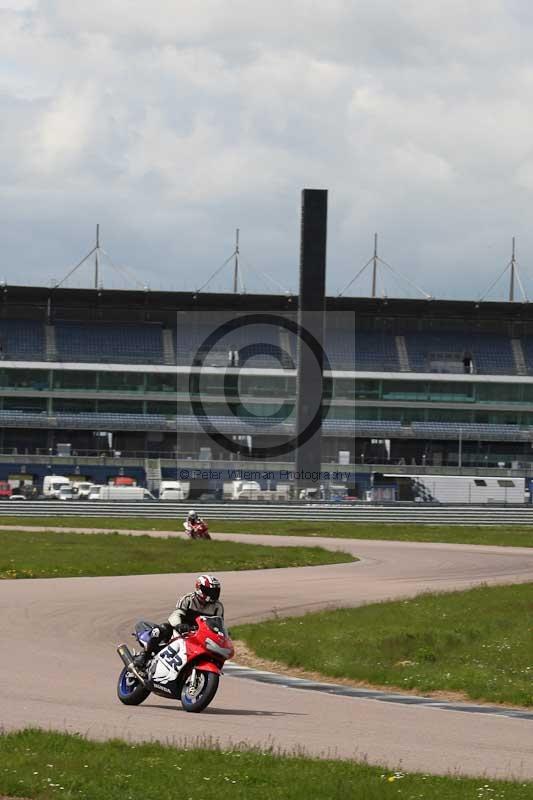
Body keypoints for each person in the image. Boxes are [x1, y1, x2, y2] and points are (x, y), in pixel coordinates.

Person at [134, 574, 223, 670]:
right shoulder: (188, 599)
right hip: (181, 631)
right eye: (209, 591)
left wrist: (223, 634)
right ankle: (145, 655)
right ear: (199, 589)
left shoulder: (218, 607)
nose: (213, 594)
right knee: (163, 628)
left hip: (201, 635)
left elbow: (219, 623)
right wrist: (179, 625)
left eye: (215, 591)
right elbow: (176, 614)